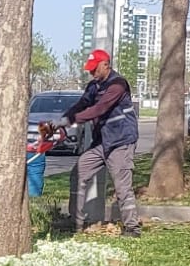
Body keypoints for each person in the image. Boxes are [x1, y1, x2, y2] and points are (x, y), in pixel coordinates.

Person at [59, 48, 142, 237]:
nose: (91, 73)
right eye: (89, 70)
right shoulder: (93, 86)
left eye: (94, 68)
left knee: (122, 186)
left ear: (106, 65)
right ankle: (76, 223)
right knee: (79, 172)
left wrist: (71, 121)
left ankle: (132, 228)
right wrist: (60, 122)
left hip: (120, 142)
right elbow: (81, 105)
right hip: (101, 142)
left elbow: (99, 109)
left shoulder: (118, 85)